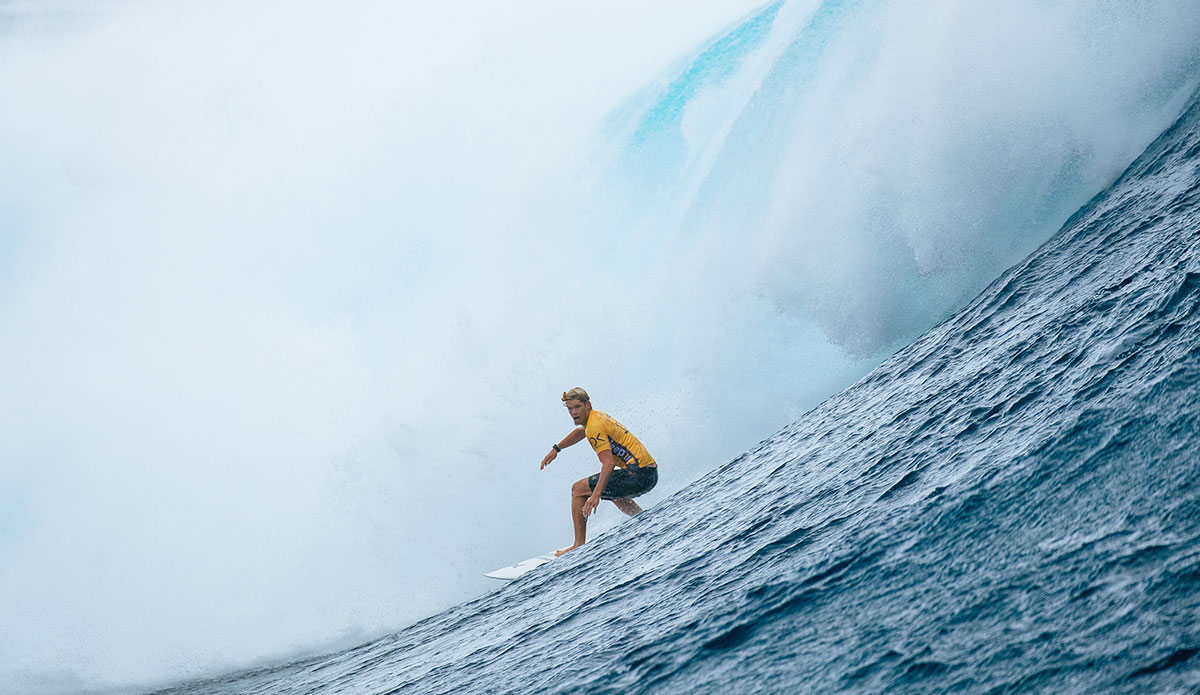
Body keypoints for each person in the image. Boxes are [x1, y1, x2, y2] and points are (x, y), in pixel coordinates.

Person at [540, 387, 658, 556]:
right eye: (569, 409)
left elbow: (608, 463)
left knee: (578, 489)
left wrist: (595, 495)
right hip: (649, 473)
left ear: (587, 404)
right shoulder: (596, 418)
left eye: (577, 407)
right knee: (611, 490)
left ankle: (578, 544)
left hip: (638, 476)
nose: (573, 413)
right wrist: (557, 448)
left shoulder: (594, 426)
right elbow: (582, 432)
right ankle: (642, 518)